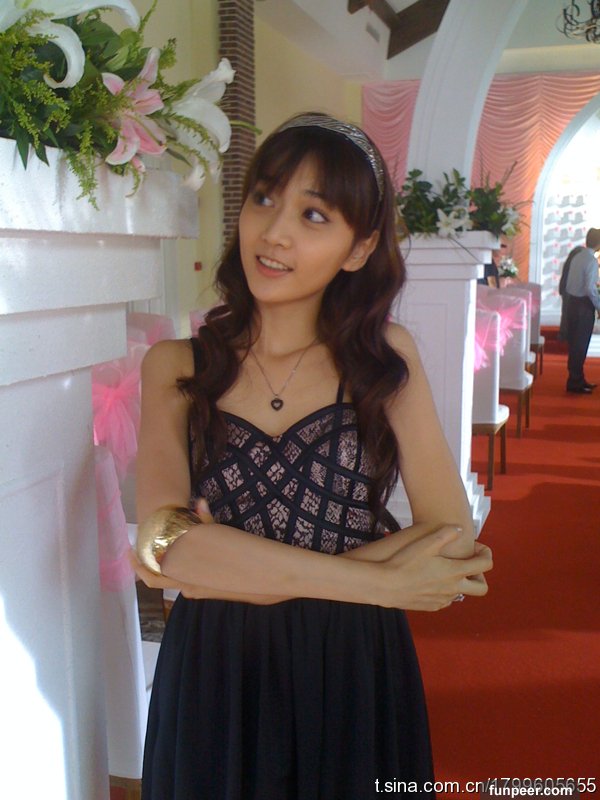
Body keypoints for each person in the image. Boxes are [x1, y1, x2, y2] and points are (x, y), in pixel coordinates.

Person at [132, 112, 493, 799]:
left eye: (314, 215)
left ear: (360, 248)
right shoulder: (175, 366)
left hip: (353, 667)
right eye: (264, 198)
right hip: (217, 672)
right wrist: (383, 584)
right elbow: (164, 550)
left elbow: (452, 540)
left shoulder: (383, 362)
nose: (275, 232)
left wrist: (225, 566)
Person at [563, 227, 600, 393]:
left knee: (575, 343)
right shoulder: (591, 261)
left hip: (572, 303)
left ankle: (577, 377)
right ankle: (575, 381)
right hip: (583, 307)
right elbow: (590, 289)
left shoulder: (577, 256)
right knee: (580, 345)